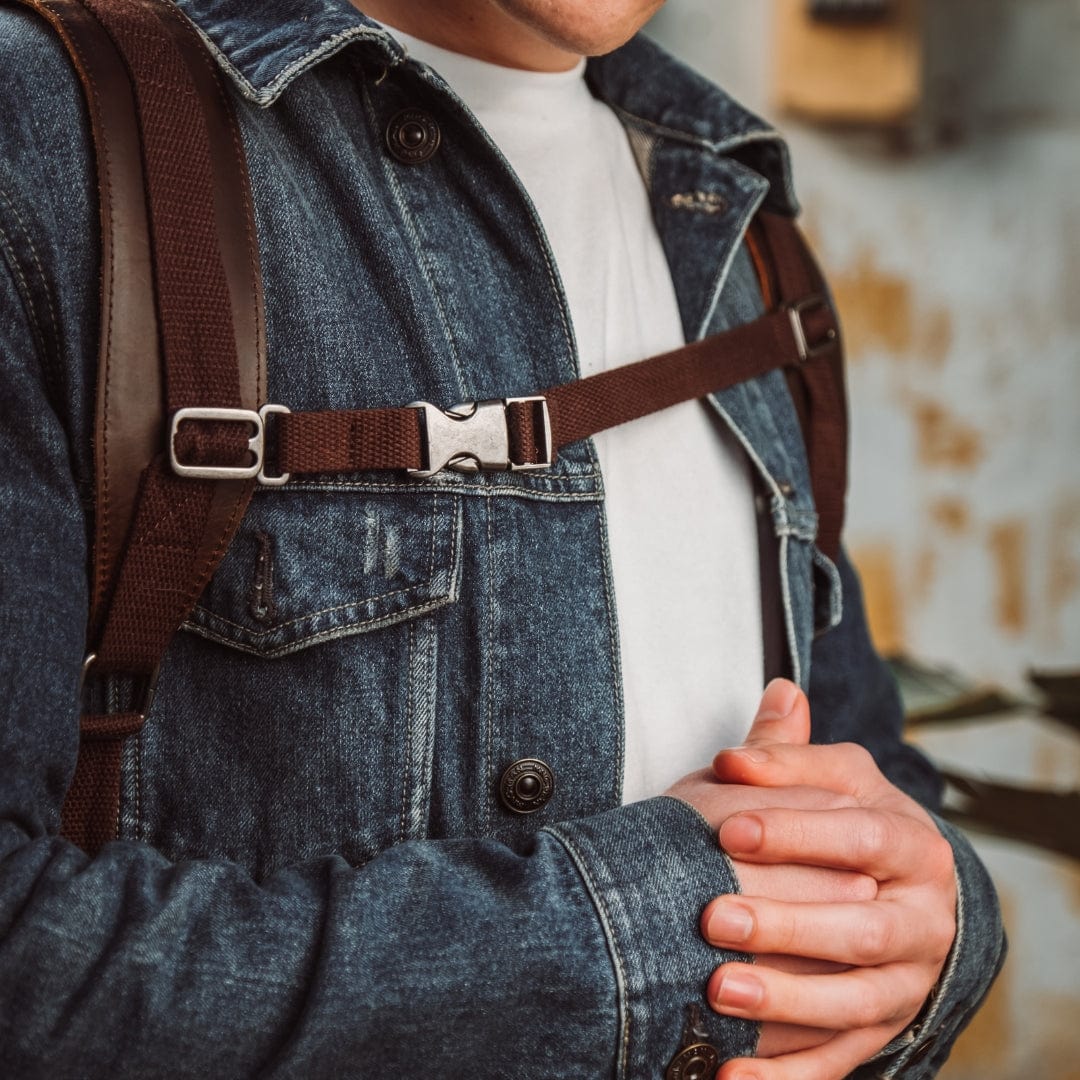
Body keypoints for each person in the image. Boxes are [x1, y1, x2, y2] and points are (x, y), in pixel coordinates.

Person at [0, 0, 1003, 1076]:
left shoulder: (732, 206)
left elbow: (871, 786)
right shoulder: (48, 138)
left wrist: (945, 930)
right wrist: (644, 928)